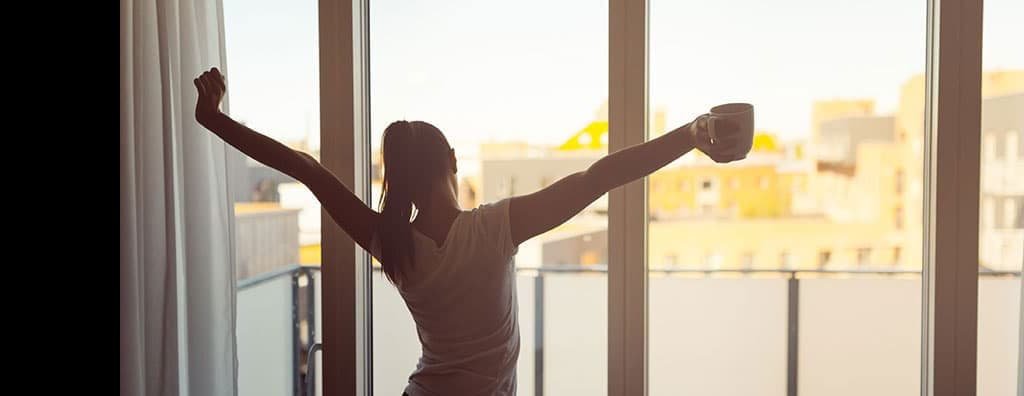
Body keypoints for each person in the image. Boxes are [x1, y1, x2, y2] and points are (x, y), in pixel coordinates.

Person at [193, 67, 749, 396]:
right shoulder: (495, 228)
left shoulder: (394, 243)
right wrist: (694, 134)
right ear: (453, 161)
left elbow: (306, 170)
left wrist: (213, 117)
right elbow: (599, 176)